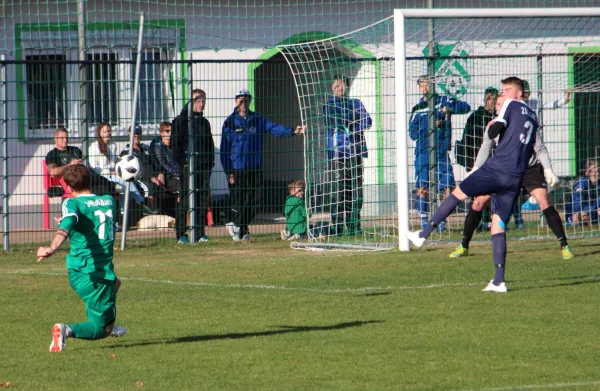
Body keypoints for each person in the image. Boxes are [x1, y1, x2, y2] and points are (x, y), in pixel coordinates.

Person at [407, 76, 540, 293]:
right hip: (515, 176)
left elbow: (494, 130)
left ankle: (423, 235)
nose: (503, 93)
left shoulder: (510, 104)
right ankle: (499, 280)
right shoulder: (533, 116)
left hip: (497, 169)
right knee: (498, 225)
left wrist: (492, 126)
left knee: (457, 193)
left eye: (506, 89)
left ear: (518, 93)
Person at [449, 95, 573, 260]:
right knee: (478, 202)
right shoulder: (494, 126)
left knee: (543, 200)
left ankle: (564, 245)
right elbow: (486, 148)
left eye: (501, 103)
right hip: (504, 171)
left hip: (529, 169)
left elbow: (540, 147)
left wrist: (548, 170)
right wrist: (475, 169)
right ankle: (463, 246)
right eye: (498, 104)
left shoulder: (524, 122)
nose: (498, 106)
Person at [36, 164, 126, 352]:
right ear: (90, 180)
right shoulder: (108, 200)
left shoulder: (72, 203)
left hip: (82, 270)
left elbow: (71, 221)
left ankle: (107, 319)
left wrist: (53, 245)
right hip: (93, 274)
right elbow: (83, 218)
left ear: (69, 188)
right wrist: (54, 245)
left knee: (116, 283)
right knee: (102, 331)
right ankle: (66, 330)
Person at [220, 88, 305, 241]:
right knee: (240, 202)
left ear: (250, 101)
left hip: (255, 167)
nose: (244, 103)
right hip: (238, 169)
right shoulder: (229, 122)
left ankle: (237, 225)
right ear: (236, 102)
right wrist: (228, 171)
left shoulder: (257, 119)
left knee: (257, 199)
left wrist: (292, 131)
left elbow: (273, 128)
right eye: (241, 100)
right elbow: (225, 149)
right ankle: (242, 232)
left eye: (246, 100)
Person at [409, 75, 471, 232]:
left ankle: (441, 221)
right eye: (422, 85)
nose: (425, 88)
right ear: (419, 88)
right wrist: (429, 127)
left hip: (441, 151)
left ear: (433, 86)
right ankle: (424, 221)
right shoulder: (417, 109)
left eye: (427, 85)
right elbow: (412, 133)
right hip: (423, 152)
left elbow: (465, 107)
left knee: (447, 188)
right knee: (422, 186)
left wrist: (448, 110)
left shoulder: (444, 101)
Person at [322, 75, 373, 235]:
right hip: (337, 154)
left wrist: (355, 128)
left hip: (355, 153)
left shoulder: (356, 103)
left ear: (347, 88)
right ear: (332, 88)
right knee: (339, 191)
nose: (339, 89)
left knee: (356, 191)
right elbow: (332, 121)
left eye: (342, 86)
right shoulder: (328, 105)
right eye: (336, 86)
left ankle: (354, 226)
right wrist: (348, 122)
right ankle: (337, 226)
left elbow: (368, 121)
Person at [171, 89, 215, 243]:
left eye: (203, 101)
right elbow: (175, 144)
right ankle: (181, 234)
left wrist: (210, 164)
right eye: (198, 100)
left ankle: (199, 232)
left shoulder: (204, 122)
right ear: (191, 102)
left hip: (203, 167)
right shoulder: (181, 121)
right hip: (187, 167)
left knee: (202, 200)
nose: (201, 104)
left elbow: (209, 145)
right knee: (185, 200)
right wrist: (181, 164)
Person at [88, 122, 155, 215]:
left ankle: (123, 215)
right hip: (103, 177)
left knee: (126, 185)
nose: (108, 133)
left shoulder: (112, 145)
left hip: (114, 175)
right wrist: (110, 172)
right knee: (126, 182)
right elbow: (94, 168)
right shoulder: (94, 147)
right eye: (105, 131)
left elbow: (116, 161)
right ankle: (142, 203)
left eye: (109, 131)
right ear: (99, 133)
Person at [46, 127, 115, 196]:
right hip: (72, 179)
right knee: (101, 188)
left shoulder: (75, 150)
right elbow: (53, 172)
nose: (65, 140)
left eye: (67, 138)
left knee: (105, 184)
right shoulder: (52, 154)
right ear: (55, 138)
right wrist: (70, 165)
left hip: (86, 175)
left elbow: (86, 163)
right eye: (62, 138)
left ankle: (111, 193)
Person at [151, 121, 187, 242]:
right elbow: (164, 164)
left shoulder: (175, 146)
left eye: (171, 131)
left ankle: (183, 228)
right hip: (168, 177)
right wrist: (178, 175)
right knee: (182, 190)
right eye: (167, 131)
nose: (170, 134)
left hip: (178, 176)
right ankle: (180, 231)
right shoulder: (158, 146)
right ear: (161, 133)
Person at [119, 125, 162, 209]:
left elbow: (156, 163)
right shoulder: (126, 152)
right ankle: (151, 210)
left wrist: (160, 174)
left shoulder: (146, 148)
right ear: (129, 134)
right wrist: (151, 177)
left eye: (138, 133)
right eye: (134, 134)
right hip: (139, 178)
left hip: (154, 176)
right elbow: (130, 170)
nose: (137, 136)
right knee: (151, 185)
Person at [456, 87, 498, 172]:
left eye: (495, 98)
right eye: (490, 98)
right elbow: (468, 140)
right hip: (475, 156)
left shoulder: (499, 116)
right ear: (484, 100)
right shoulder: (476, 116)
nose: (493, 101)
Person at [571, 159, 600, 226]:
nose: (595, 174)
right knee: (580, 216)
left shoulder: (598, 184)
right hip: (584, 212)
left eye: (597, 171)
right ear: (586, 173)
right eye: (592, 171)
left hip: (595, 212)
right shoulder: (581, 185)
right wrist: (595, 209)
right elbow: (578, 206)